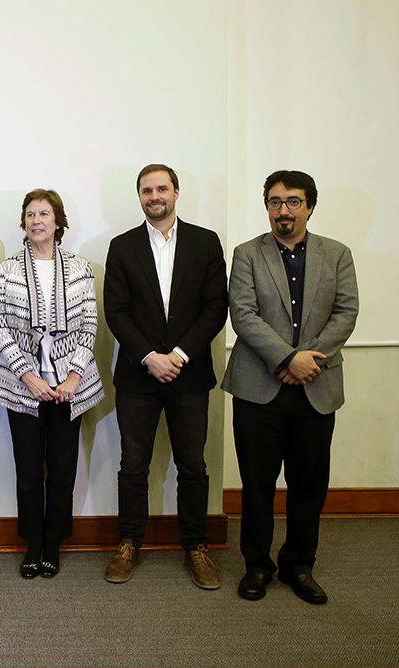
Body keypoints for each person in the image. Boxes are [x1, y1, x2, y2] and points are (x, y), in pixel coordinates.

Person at [223, 170, 358, 604]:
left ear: (310, 207)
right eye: (275, 201)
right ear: (266, 207)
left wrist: (306, 361)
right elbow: (243, 314)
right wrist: (286, 358)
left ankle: (299, 566)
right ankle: (257, 567)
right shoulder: (247, 254)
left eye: (293, 201)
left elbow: (346, 312)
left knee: (308, 485)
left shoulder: (337, 254)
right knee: (257, 484)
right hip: (258, 388)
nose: (284, 210)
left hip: (316, 388)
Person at [103, 164, 228, 589]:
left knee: (192, 465)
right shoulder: (122, 246)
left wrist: (177, 355)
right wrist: (149, 357)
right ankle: (129, 543)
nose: (154, 196)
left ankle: (196, 547)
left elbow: (216, 306)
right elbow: (116, 311)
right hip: (138, 376)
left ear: (176, 192)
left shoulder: (205, 242)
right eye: (146, 190)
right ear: (139, 196)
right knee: (133, 465)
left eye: (161, 189)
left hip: (189, 375)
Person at [0, 189, 105, 579]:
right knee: (27, 471)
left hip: (71, 388)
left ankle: (54, 542)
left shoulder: (80, 268)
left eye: (44, 213)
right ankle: (33, 543)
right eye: (30, 214)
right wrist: (29, 376)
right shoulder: (5, 269)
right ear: (23, 222)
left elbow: (90, 324)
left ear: (58, 221)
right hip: (21, 386)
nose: (36, 220)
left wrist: (73, 376)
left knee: (62, 469)